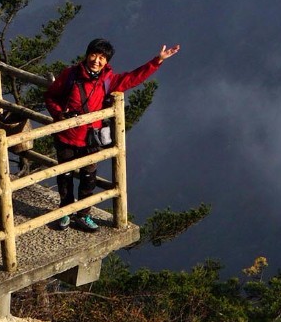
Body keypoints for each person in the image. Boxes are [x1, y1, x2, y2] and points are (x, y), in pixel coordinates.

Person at [43, 36, 179, 230]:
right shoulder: (70, 75)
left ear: (107, 61)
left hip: (91, 138)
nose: (96, 60)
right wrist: (59, 114)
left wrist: (157, 60)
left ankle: (83, 214)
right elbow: (51, 96)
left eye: (102, 58)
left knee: (88, 178)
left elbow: (132, 79)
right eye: (93, 55)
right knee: (64, 176)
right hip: (66, 136)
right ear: (87, 55)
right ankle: (64, 211)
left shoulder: (108, 80)